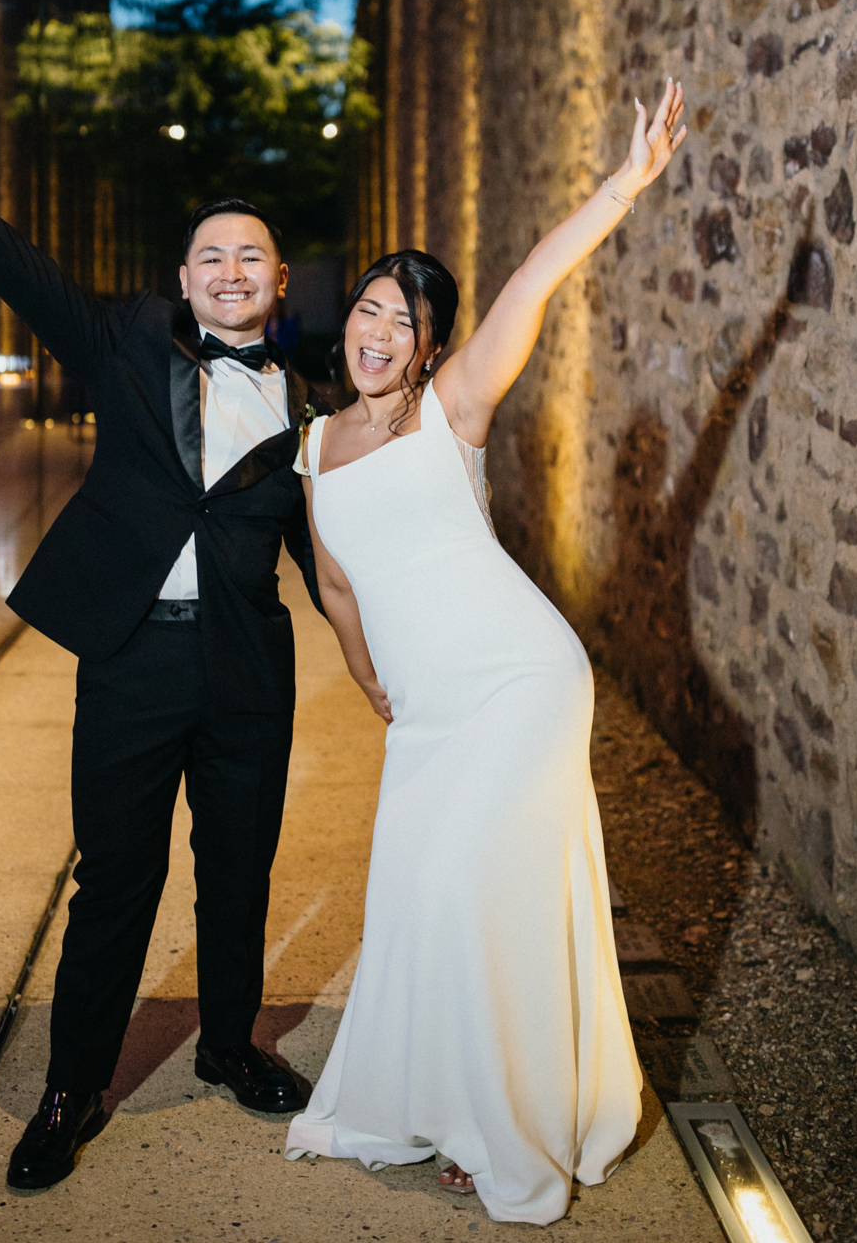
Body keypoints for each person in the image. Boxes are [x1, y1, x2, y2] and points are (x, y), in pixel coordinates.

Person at [0, 92, 326, 1191]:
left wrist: (388, 651)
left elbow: (330, 556)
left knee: (240, 869)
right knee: (117, 876)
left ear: (280, 281)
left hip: (249, 666)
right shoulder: (123, 339)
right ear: (186, 274)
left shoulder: (309, 406)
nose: (231, 270)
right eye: (212, 255)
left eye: (252, 256)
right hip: (134, 656)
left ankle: (228, 1044)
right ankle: (72, 1087)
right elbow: (22, 272)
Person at [284, 78, 688, 1225]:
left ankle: (500, 1122)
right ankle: (443, 1093)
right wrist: (371, 684)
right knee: (422, 897)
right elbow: (337, 583)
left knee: (478, 892)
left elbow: (532, 283)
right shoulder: (317, 446)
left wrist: (624, 183)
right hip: (427, 710)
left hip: (518, 682)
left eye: (401, 322)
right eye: (367, 308)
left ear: (429, 350)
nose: (376, 330)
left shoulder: (452, 409)